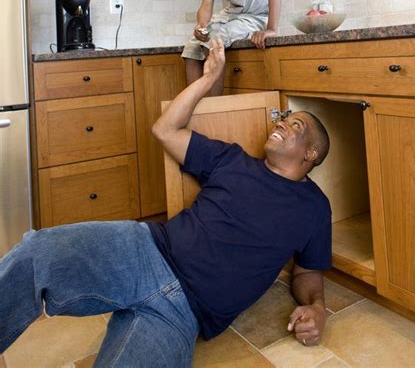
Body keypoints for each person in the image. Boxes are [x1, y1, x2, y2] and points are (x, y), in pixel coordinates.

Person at [0, 39, 331, 367]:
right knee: (37, 254)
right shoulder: (232, 159)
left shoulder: (314, 208)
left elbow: (308, 271)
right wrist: (206, 79)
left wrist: (317, 307)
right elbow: (165, 129)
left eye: (295, 125)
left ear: (310, 154)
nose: (281, 123)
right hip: (144, 251)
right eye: (283, 119)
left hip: (183, 315)